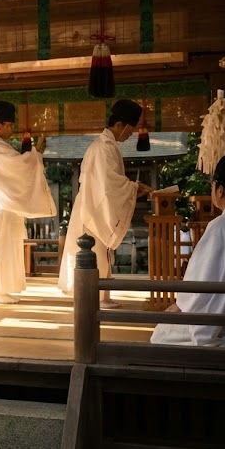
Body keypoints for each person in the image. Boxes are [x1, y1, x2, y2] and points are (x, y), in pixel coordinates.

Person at [151, 155, 225, 347]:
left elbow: (205, 282)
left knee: (162, 333)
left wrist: (181, 305)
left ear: (220, 190)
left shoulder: (222, 225)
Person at [58, 99, 154, 307]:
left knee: (101, 251)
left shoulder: (106, 146)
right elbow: (108, 183)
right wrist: (134, 188)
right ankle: (95, 296)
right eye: (130, 129)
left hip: (94, 202)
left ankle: (101, 295)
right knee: (95, 250)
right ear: (119, 125)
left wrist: (133, 188)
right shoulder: (103, 147)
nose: (131, 134)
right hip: (94, 204)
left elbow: (110, 182)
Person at [0, 101, 57, 304]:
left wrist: (34, 154)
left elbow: (17, 167)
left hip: (2, 203)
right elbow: (19, 166)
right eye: (9, 125)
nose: (12, 129)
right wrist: (35, 153)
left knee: (5, 246)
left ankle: (2, 289)